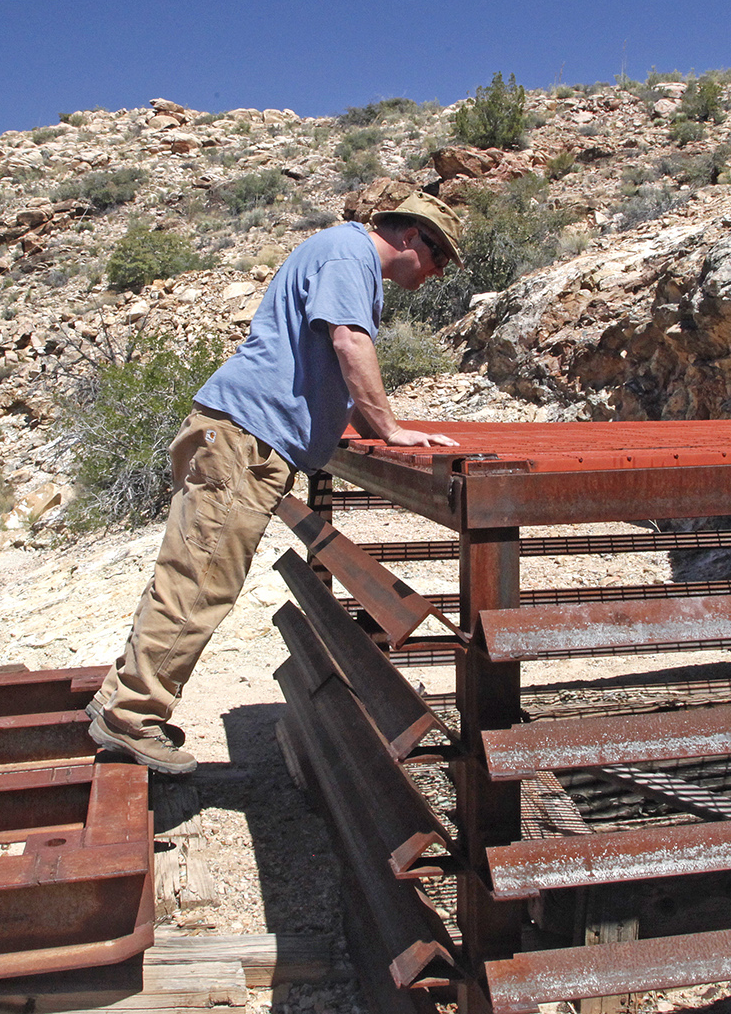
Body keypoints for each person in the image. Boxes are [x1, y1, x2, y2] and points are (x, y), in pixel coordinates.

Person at [86, 191, 465, 773]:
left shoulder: (343, 256)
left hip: (236, 434)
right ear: (412, 236)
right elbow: (348, 342)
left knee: (188, 570)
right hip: (245, 441)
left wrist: (377, 427)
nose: (438, 272)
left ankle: (121, 698)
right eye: (439, 256)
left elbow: (330, 359)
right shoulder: (350, 255)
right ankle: (132, 717)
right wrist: (389, 428)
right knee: (201, 580)